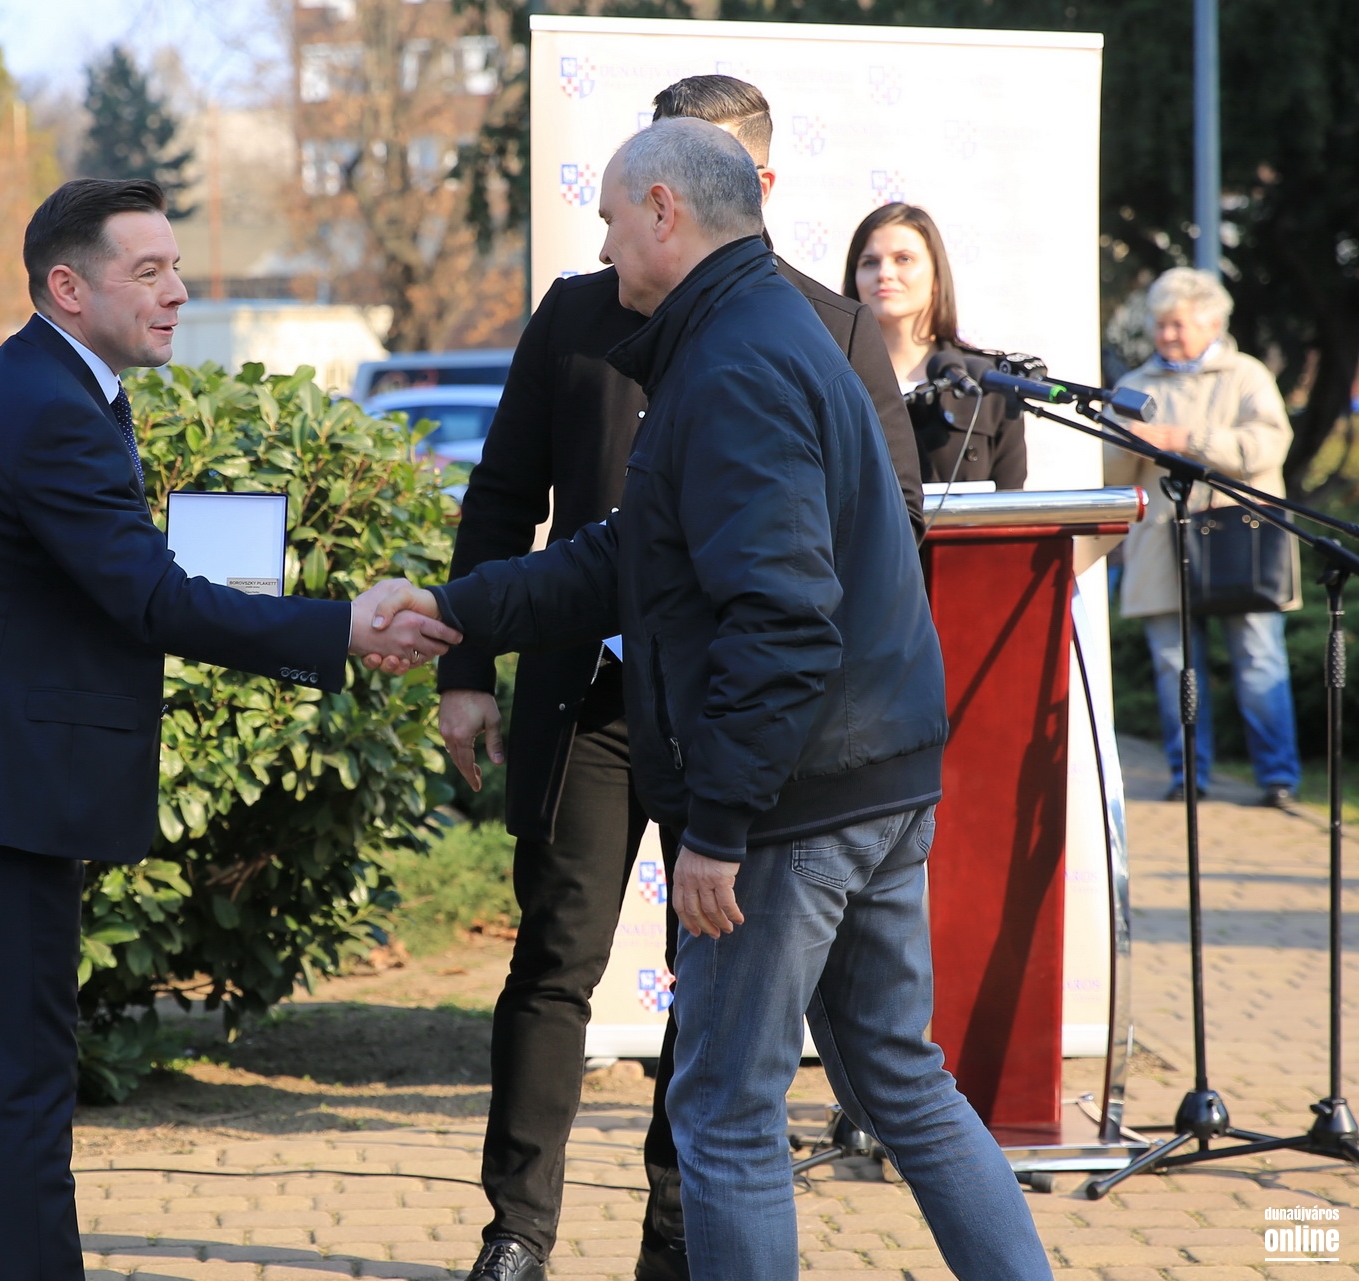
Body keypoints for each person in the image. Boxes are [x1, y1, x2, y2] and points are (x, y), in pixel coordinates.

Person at [423, 118, 1051, 1281]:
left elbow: (782, 619)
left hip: (796, 802)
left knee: (723, 1111)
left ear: (665, 211)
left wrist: (717, 830)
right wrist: (455, 612)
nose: (603, 250)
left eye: (612, 222)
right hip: (865, 777)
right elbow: (630, 555)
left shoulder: (736, 362)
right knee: (899, 1079)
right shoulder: (753, 329)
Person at [0, 178, 456, 1281]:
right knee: (24, 1080)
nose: (177, 291)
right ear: (68, 287)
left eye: (176, 267)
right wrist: (340, 626)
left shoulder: (39, 384)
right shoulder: (50, 405)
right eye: (147, 271)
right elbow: (148, 597)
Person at [1105, 266, 1301, 808]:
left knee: (1259, 659)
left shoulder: (1247, 375)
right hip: (1162, 544)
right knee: (1175, 666)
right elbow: (1108, 474)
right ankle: (1187, 777)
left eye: (1178, 324)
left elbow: (1269, 445)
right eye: (1160, 324)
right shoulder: (1134, 384)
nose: (1166, 335)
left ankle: (1278, 780)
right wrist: (1125, 444)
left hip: (1242, 542)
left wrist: (1188, 439)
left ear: (1213, 323)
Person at [844, 202, 1026, 490]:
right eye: (869, 262)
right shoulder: (833, 379)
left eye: (903, 259)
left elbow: (1011, 503)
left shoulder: (987, 382)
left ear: (937, 275)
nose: (884, 273)